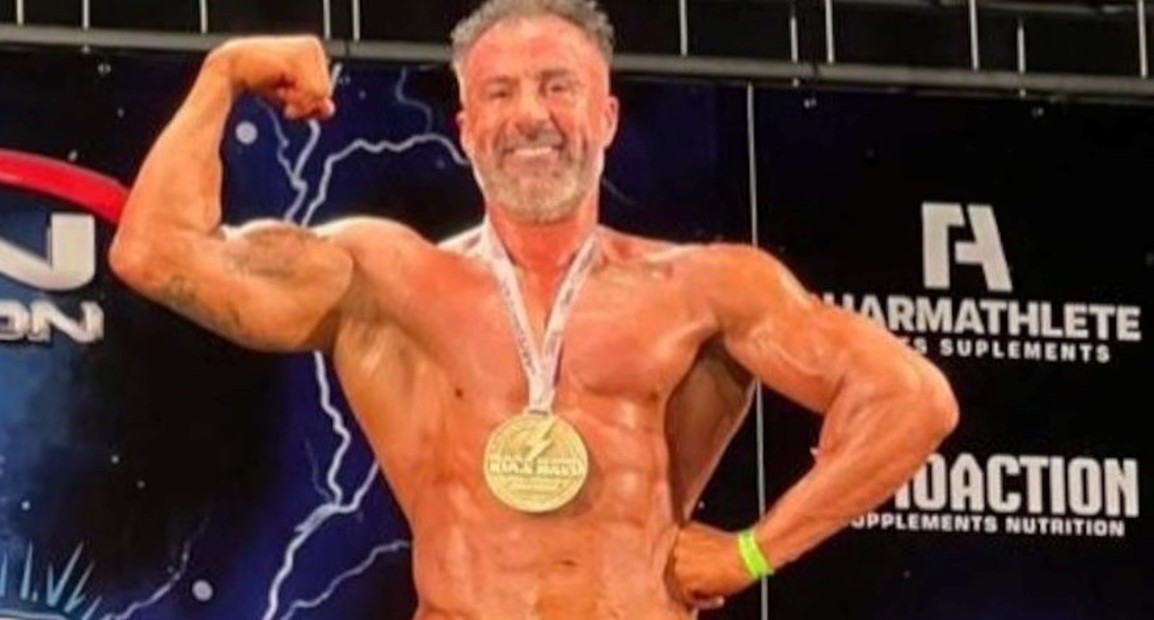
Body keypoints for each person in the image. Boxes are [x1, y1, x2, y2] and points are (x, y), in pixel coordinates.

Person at [108, 0, 959, 617]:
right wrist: (223, 75)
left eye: (559, 87)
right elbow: (155, 254)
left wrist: (752, 552)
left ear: (607, 116)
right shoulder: (385, 279)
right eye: (501, 93)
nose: (530, 117)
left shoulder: (705, 287)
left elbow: (912, 401)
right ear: (466, 127)